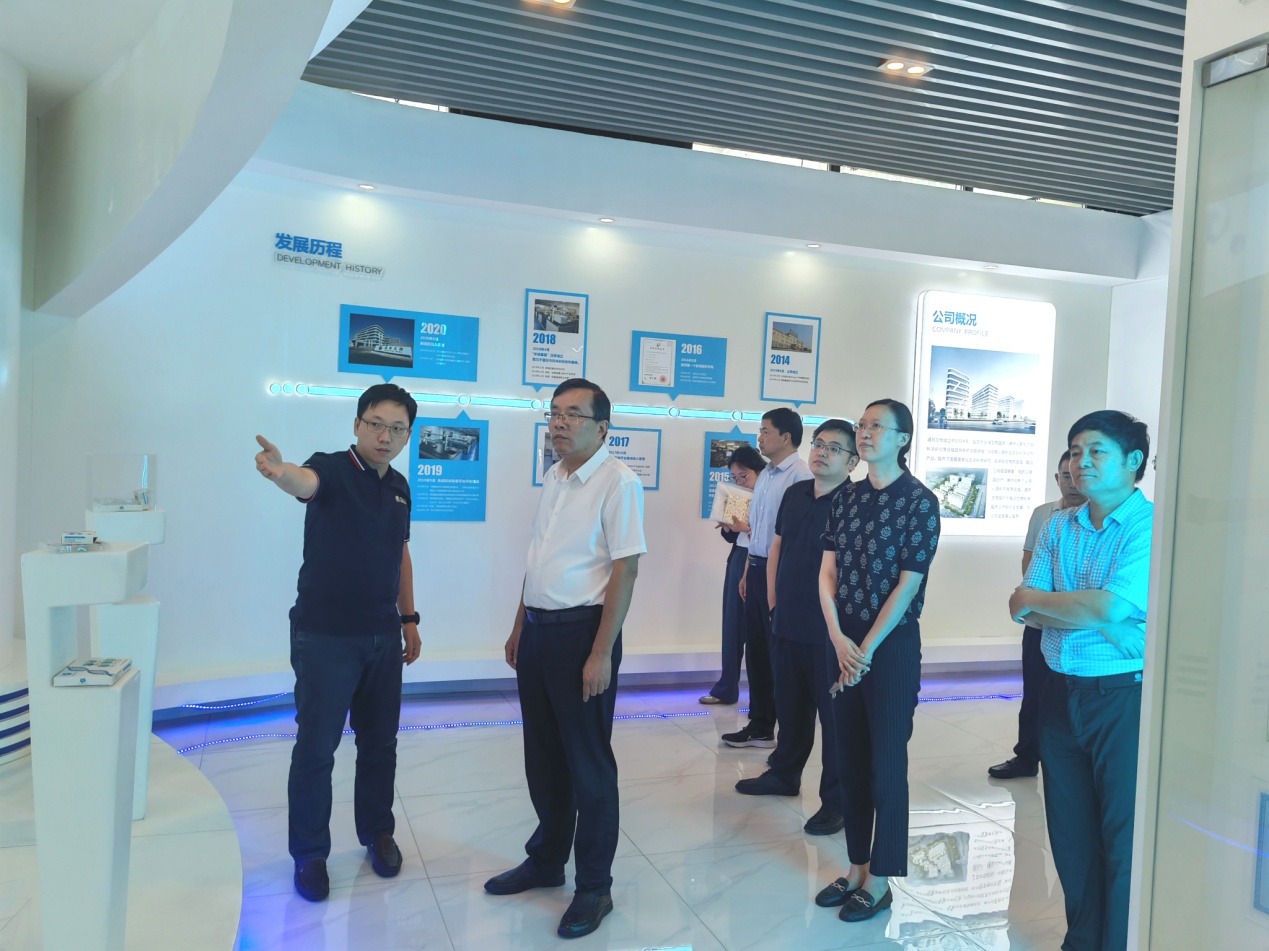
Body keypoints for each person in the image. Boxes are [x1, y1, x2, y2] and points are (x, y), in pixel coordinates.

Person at [485, 378, 646, 940]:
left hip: (583, 635)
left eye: (573, 414)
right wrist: (519, 626)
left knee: (588, 763)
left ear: (602, 427)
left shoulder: (618, 482)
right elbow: (539, 560)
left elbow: (626, 570)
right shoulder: (555, 476)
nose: (559, 422)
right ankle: (547, 859)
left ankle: (594, 887)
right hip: (538, 632)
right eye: (554, 412)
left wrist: (601, 652)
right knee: (544, 756)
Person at [253, 383, 422, 902]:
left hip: (382, 637)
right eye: (376, 424)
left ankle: (377, 833)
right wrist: (280, 472)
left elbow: (401, 554)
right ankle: (310, 854)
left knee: (380, 744)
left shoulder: (400, 487)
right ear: (357, 424)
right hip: (325, 637)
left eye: (397, 429)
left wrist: (409, 619)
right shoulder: (329, 467)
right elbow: (304, 483)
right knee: (317, 748)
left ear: (407, 436)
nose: (385, 436)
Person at [1008, 411, 1152, 951]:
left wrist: (1089, 611)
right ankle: (1082, 939)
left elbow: (1105, 604)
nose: (1080, 462)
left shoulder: (1148, 525)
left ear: (1133, 461)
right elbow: (1021, 607)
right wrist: (1103, 620)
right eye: (1074, 451)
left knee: (1120, 833)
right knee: (1069, 832)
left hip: (1122, 695)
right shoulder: (1058, 526)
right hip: (1058, 691)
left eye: (1096, 451)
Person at [815, 398, 941, 923]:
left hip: (889, 649)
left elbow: (908, 584)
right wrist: (838, 638)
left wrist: (863, 649)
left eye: (876, 426)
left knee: (886, 763)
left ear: (902, 439)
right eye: (861, 425)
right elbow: (827, 573)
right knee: (848, 761)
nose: (865, 433)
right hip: (843, 645)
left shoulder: (920, 501)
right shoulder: (845, 497)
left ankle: (882, 879)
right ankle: (856, 867)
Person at [735, 420, 858, 838]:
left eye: (834, 448)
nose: (822, 453)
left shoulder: (855, 503)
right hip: (787, 619)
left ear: (852, 462)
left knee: (835, 721)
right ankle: (784, 773)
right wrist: (773, 603)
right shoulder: (795, 493)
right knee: (790, 705)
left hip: (830, 630)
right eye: (819, 444)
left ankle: (837, 802)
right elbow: (777, 546)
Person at [988, 449, 1086, 780]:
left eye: (1076, 475)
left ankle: (1067, 761)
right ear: (1057, 479)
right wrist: (1039, 600)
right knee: (1034, 693)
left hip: (1080, 623)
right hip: (1040, 621)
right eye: (1065, 476)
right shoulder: (1044, 514)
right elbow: (1029, 561)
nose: (1072, 483)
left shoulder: (1097, 518)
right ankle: (1026, 757)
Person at [721, 407, 812, 748]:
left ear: (786, 437)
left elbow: (793, 538)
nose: (759, 437)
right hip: (756, 569)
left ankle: (787, 733)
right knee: (756, 651)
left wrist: (777, 583)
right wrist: (747, 571)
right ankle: (759, 725)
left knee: (779, 657)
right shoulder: (768, 476)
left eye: (765, 431)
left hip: (780, 575)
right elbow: (758, 531)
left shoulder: (800, 477)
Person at [700, 445, 766, 705]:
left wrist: (746, 528)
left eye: (744, 476)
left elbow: (774, 536)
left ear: (759, 471)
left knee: (759, 630)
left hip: (762, 562)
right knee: (732, 626)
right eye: (734, 477)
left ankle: (763, 696)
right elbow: (732, 538)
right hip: (739, 558)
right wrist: (729, 527)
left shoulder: (770, 495)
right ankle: (727, 688)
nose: (739, 482)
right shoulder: (736, 495)